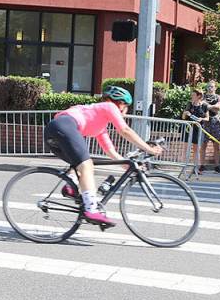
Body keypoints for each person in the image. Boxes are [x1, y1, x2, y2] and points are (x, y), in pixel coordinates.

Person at [44, 86, 163, 227]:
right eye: (126, 108)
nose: (126, 112)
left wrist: (128, 165)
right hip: (64, 126)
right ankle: (91, 210)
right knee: (87, 164)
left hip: (54, 131)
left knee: (81, 164)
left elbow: (111, 152)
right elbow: (125, 130)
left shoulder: (100, 127)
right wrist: (148, 148)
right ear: (120, 104)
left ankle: (70, 186)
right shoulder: (108, 106)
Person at [181, 88, 209, 173]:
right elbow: (183, 117)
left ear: (199, 96)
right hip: (188, 128)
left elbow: (207, 118)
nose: (191, 96)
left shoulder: (204, 106)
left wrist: (201, 119)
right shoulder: (189, 104)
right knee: (186, 148)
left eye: (193, 95)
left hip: (198, 129)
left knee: (196, 149)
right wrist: (185, 113)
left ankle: (196, 168)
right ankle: (183, 168)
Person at [200, 80, 220, 174]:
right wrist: (212, 107)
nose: (210, 88)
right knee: (203, 145)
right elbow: (201, 105)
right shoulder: (203, 96)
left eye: (212, 86)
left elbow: (218, 107)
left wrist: (207, 106)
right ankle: (202, 166)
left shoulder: (219, 97)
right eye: (208, 86)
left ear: (215, 88)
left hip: (215, 122)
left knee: (216, 146)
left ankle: (217, 166)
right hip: (205, 122)